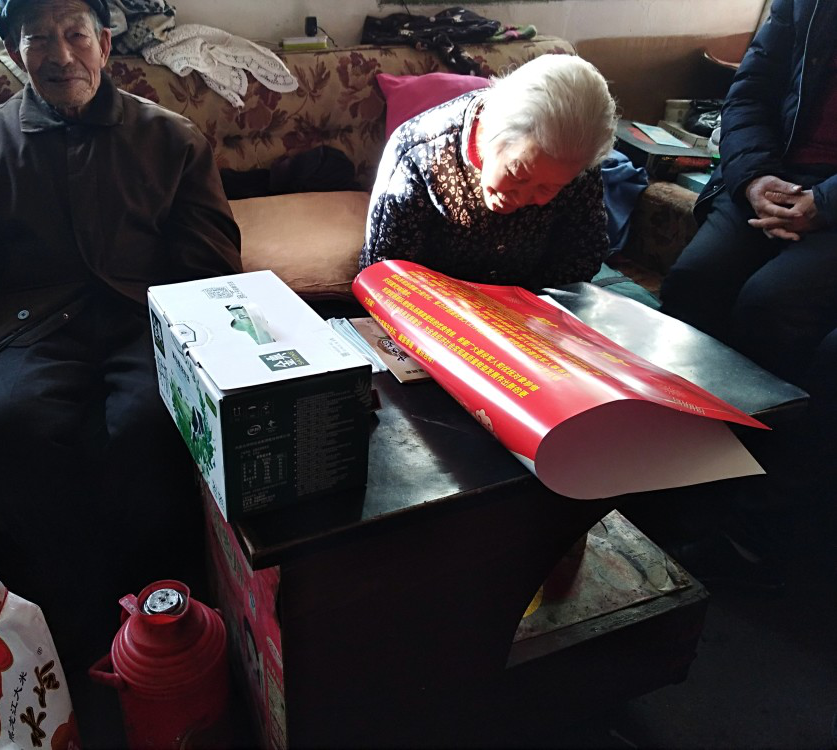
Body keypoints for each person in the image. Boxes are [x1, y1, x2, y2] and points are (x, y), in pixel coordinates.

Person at [0, 0, 241, 733]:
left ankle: (166, 603)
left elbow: (210, 260)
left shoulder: (172, 138)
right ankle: (71, 610)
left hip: (141, 320)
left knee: (153, 422)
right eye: (39, 40)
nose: (61, 56)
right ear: (14, 51)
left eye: (75, 34)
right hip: (31, 327)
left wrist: (202, 342)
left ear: (104, 43)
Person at [658, 0, 837, 589]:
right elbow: (750, 92)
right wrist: (754, 176)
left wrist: (825, 204)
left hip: (832, 204)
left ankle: (748, 511)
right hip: (775, 178)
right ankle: (666, 472)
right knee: (695, 281)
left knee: (773, 303)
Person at [359, 53, 618, 290]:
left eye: (549, 188)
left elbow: (582, 254)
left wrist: (531, 306)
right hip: (434, 307)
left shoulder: (574, 158)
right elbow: (384, 275)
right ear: (492, 127)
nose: (524, 198)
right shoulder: (420, 153)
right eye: (517, 174)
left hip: (529, 310)